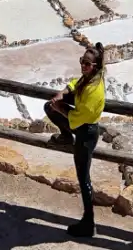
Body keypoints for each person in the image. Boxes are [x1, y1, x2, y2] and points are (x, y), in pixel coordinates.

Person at [43, 42, 105, 237]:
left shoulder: (94, 90)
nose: (83, 66)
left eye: (86, 63)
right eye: (82, 62)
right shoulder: (90, 79)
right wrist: (63, 93)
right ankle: (65, 137)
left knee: (83, 177)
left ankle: (89, 222)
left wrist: (59, 107)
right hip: (82, 128)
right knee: (48, 106)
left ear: (95, 66)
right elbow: (74, 84)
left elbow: (78, 118)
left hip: (86, 132)